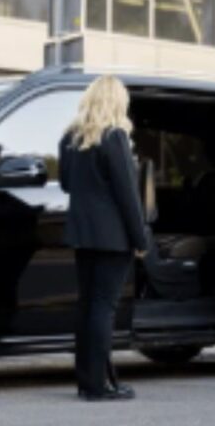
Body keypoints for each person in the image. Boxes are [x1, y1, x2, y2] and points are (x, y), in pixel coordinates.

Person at [59, 75, 149, 402]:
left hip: (83, 234)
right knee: (103, 308)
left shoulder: (70, 139)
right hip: (113, 237)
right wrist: (141, 240)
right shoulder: (115, 137)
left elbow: (66, 184)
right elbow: (128, 195)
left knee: (87, 307)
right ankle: (99, 386)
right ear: (117, 102)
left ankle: (88, 382)